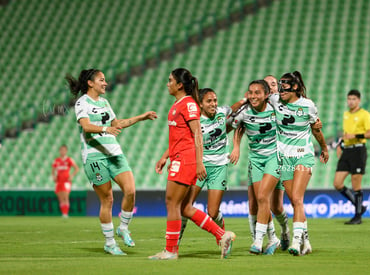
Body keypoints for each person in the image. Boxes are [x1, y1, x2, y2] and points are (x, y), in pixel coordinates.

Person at [66, 69, 157, 255]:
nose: (105, 83)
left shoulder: (105, 103)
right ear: (90, 83)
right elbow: (86, 126)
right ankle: (109, 243)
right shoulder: (82, 102)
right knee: (107, 199)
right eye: (102, 80)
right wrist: (105, 129)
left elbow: (117, 124)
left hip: (114, 153)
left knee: (130, 190)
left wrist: (141, 117)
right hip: (95, 156)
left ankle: (123, 227)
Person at [150, 68, 235, 260]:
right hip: (180, 157)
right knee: (184, 207)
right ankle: (222, 235)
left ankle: (171, 251)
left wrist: (198, 163)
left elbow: (197, 134)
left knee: (173, 203)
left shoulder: (188, 104)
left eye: (170, 80)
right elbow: (179, 137)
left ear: (180, 84)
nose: (167, 83)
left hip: (186, 160)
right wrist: (166, 157)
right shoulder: (178, 104)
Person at [178, 88, 247, 243]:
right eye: (209, 101)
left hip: (219, 167)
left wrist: (245, 99)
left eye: (215, 100)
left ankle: (222, 235)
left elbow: (234, 107)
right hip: (199, 166)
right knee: (185, 206)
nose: (214, 104)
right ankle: (176, 240)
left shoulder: (222, 113)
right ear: (200, 104)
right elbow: (183, 142)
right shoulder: (194, 121)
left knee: (213, 211)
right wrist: (170, 158)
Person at [275, 71, 329, 256]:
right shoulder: (275, 101)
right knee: (294, 201)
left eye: (285, 86)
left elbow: (316, 130)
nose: (281, 89)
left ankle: (296, 243)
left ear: (295, 87)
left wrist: (324, 148)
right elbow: (255, 99)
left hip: (303, 156)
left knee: (297, 198)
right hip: (284, 158)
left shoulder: (308, 106)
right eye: (279, 85)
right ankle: (306, 241)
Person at [231, 80, 283, 255]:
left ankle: (258, 241)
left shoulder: (275, 108)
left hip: (274, 157)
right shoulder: (245, 112)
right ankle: (273, 238)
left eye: (257, 93)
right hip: (255, 159)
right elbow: (232, 124)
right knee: (258, 201)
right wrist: (236, 146)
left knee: (262, 196)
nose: (253, 96)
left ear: (266, 95)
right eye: (250, 92)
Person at [333, 89, 370, 225]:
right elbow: (346, 134)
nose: (351, 101)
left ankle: (358, 216)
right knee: (337, 183)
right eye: (349, 99)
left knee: (356, 184)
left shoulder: (365, 114)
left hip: (358, 150)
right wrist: (340, 144)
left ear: (359, 100)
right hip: (347, 151)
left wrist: (356, 136)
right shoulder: (346, 114)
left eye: (354, 99)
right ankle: (360, 207)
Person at [263, 75, 291, 251]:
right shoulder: (259, 108)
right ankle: (271, 238)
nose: (271, 87)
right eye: (267, 85)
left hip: (283, 158)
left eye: (274, 84)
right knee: (262, 199)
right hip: (265, 159)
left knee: (276, 205)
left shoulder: (284, 105)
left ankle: (285, 230)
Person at [52, 144, 79, 217]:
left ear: (66, 151)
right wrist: (53, 176)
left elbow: (76, 168)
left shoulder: (69, 159)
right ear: (59, 151)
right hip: (59, 181)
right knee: (60, 198)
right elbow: (53, 170)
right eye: (61, 150)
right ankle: (63, 213)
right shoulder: (56, 160)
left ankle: (65, 213)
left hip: (66, 181)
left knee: (65, 196)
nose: (62, 151)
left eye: (64, 150)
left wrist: (72, 176)